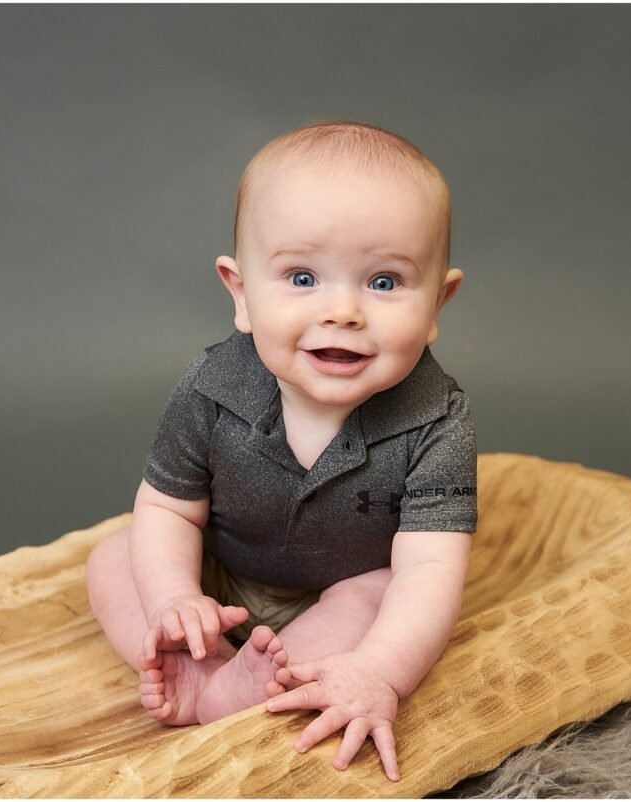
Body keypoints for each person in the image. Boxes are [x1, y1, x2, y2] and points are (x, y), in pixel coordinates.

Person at [85, 120, 476, 782]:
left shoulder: (438, 418)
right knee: (115, 558)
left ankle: (250, 684)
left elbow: (430, 568)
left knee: (382, 595)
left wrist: (380, 671)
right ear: (241, 293)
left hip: (338, 591)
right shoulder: (212, 387)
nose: (343, 311)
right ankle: (196, 663)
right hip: (222, 578)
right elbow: (169, 508)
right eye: (302, 277)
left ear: (438, 303)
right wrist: (175, 598)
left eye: (384, 283)